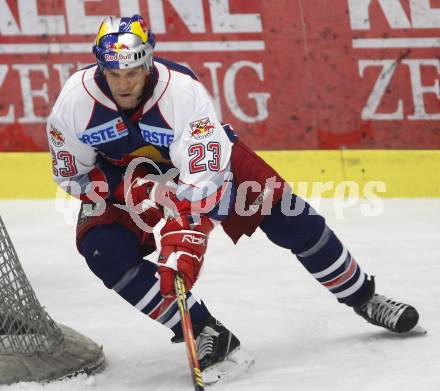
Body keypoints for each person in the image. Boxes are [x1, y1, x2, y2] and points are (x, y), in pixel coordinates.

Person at [46, 15, 420, 384]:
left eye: (133, 71)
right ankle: (204, 330)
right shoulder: (74, 104)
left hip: (201, 170)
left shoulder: (181, 92)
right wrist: (128, 190)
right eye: (114, 73)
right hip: (120, 179)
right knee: (102, 250)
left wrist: (186, 233)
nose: (124, 84)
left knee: (292, 219)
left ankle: (364, 297)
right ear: (100, 66)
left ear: (149, 61)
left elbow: (205, 178)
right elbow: (71, 175)